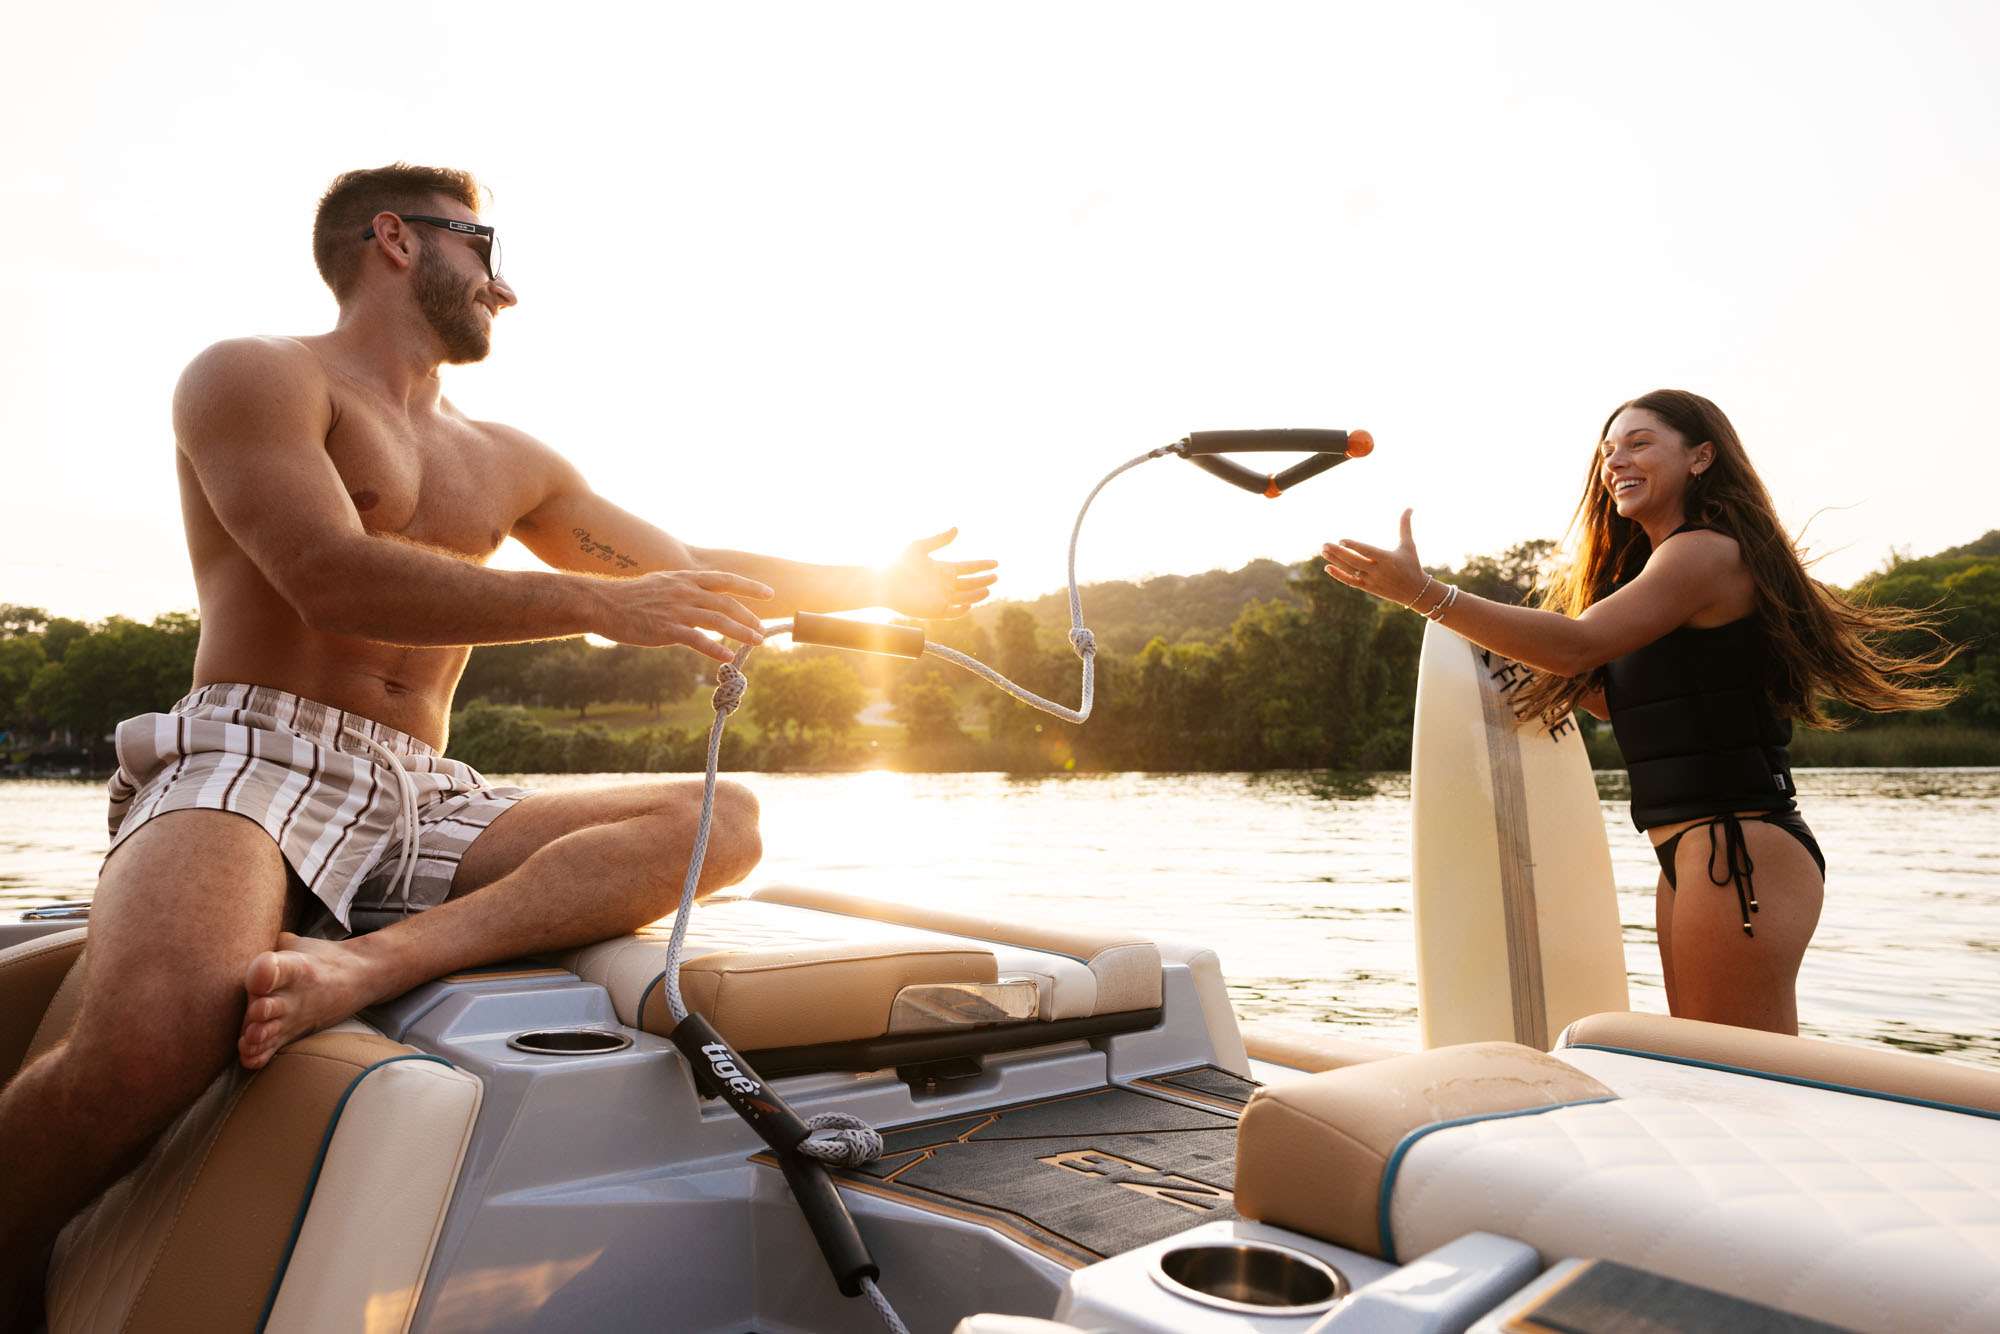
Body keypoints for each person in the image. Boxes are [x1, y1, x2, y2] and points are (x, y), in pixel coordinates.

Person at [0, 163, 997, 1319]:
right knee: (148, 1043)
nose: (503, 287)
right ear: (394, 240)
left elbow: (673, 564)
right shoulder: (255, 375)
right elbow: (325, 575)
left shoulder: (509, 457)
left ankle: (367, 962)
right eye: (483, 248)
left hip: (424, 791)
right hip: (254, 754)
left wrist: (881, 585)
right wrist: (591, 605)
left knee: (722, 823)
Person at [1320, 389, 1955, 1037]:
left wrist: (1427, 596)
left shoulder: (1705, 551)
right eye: (1606, 451)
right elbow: (1608, 696)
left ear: (1701, 457)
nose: (1615, 461)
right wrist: (1482, 640)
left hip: (1740, 845)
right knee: (1706, 1068)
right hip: (1691, 851)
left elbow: (1577, 647)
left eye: (1639, 443)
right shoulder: (1655, 573)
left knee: (1748, 1083)